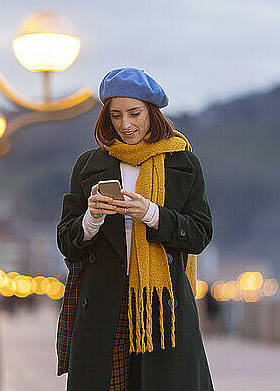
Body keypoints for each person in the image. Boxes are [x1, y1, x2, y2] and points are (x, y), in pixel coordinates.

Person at [56, 68, 214, 390]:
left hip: (160, 308)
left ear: (152, 112)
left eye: (134, 113)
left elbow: (200, 233)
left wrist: (153, 214)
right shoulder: (89, 165)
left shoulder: (182, 163)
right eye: (115, 115)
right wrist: (92, 219)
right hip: (103, 307)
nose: (125, 124)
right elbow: (66, 240)